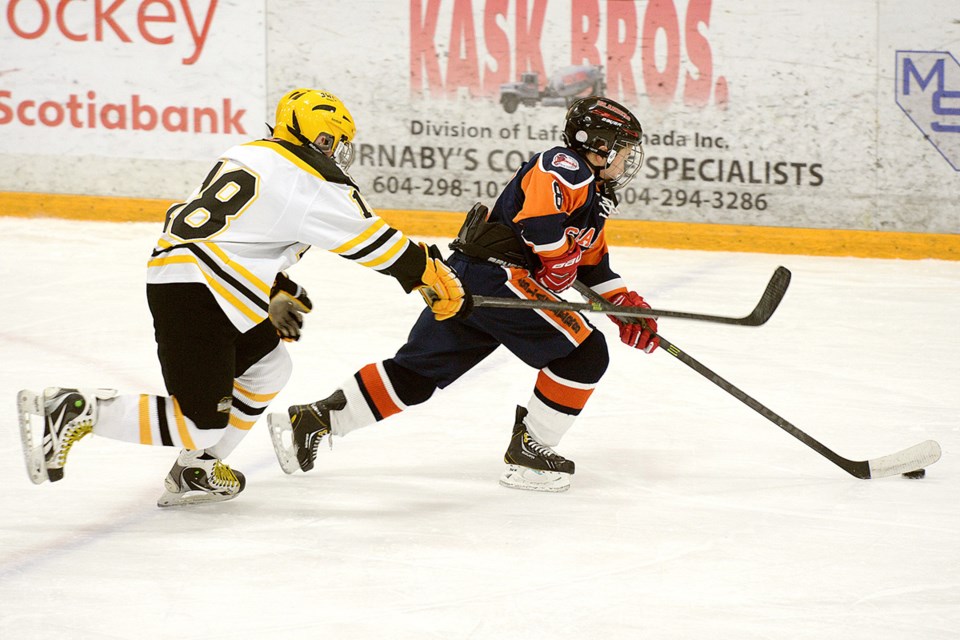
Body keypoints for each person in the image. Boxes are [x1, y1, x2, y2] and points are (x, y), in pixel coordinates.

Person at [16, 88, 470, 507]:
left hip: (197, 278)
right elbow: (369, 238)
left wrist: (270, 288)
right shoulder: (306, 175)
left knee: (270, 366)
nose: (337, 154)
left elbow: (234, 231)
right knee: (197, 422)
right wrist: (424, 270)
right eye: (333, 142)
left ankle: (197, 470)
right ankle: (78, 410)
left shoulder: (248, 154)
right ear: (317, 139)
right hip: (202, 289)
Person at [268, 96, 658, 493]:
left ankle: (316, 420)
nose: (628, 160)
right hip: (498, 276)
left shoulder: (595, 196)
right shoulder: (566, 166)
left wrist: (622, 303)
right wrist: (558, 258)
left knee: (416, 374)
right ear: (599, 143)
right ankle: (530, 452)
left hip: (471, 278)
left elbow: (593, 266)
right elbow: (539, 226)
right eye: (624, 149)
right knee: (585, 353)